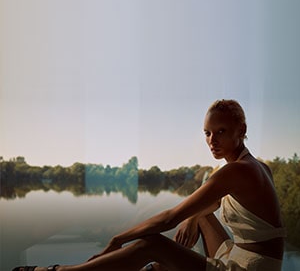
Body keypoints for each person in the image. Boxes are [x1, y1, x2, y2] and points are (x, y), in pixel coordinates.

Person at [13, 99, 285, 271]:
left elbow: (169, 217)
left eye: (221, 132)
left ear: (241, 130)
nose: (212, 140)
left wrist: (117, 239)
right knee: (196, 217)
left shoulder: (238, 171)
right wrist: (193, 218)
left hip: (252, 267)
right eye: (207, 133)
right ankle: (166, 266)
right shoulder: (256, 166)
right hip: (241, 254)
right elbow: (207, 206)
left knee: (151, 244)